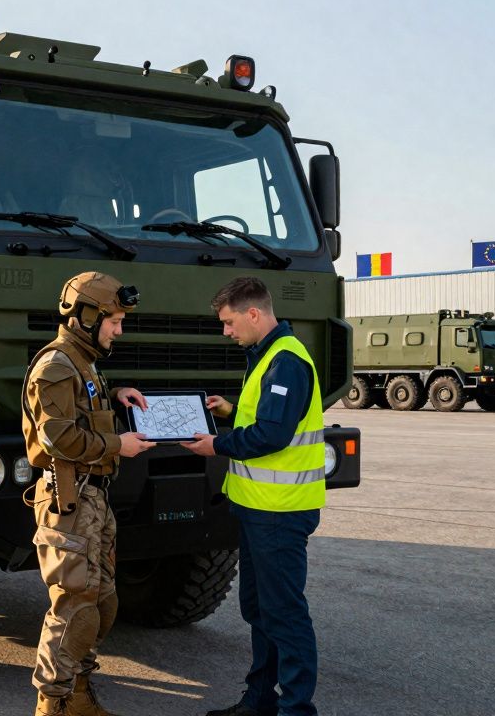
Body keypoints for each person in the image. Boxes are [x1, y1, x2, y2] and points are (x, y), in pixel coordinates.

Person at [181, 276, 326, 716]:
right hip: (259, 509)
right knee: (260, 610)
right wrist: (228, 411)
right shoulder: (265, 357)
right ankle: (261, 700)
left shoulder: (286, 361)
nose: (225, 332)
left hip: (280, 513)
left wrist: (217, 445)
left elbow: (272, 435)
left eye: (228, 323)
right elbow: (263, 417)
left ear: (253, 314)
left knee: (284, 614)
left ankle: (296, 710)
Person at [22, 271, 156, 716]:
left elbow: (79, 411)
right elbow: (59, 439)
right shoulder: (57, 366)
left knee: (101, 602)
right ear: (84, 317)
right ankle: (52, 704)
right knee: (75, 609)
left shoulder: (83, 363)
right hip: (70, 499)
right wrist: (120, 444)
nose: (119, 329)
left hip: (93, 500)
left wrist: (116, 396)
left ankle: (78, 696)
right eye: (113, 320)